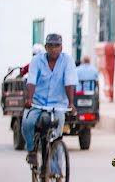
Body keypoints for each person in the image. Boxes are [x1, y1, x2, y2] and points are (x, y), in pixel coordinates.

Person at [22, 34, 77, 166]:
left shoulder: (67, 61)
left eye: (56, 46)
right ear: (46, 47)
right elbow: (31, 81)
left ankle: (57, 177)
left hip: (58, 105)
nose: (53, 49)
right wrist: (29, 99)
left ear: (61, 47)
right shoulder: (36, 60)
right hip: (37, 103)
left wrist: (71, 103)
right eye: (50, 46)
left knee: (57, 136)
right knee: (27, 122)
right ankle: (31, 151)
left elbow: (69, 82)